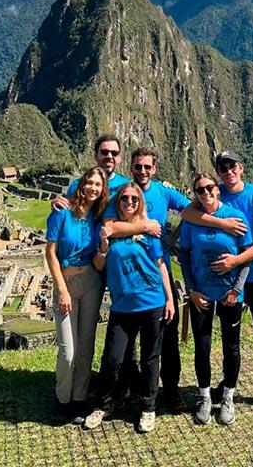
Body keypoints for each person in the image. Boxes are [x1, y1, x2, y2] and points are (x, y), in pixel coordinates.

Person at [181, 150, 253, 419]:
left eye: (232, 166)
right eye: (222, 168)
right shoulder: (215, 195)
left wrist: (236, 260)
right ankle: (226, 385)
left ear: (241, 168)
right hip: (224, 283)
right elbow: (187, 214)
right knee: (230, 340)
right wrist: (222, 223)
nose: (228, 171)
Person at [100, 147, 191, 413]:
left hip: (158, 268)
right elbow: (109, 227)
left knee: (168, 337)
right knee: (127, 343)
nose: (142, 171)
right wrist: (145, 226)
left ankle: (171, 392)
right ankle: (134, 389)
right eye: (138, 166)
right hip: (127, 274)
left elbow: (192, 209)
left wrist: (171, 239)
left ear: (154, 169)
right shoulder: (121, 192)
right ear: (132, 166)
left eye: (147, 167)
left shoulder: (164, 192)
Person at [83, 183, 175, 434]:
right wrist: (102, 247)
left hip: (151, 302)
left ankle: (148, 408)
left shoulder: (150, 231)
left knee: (149, 359)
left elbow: (160, 265)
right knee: (112, 358)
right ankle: (103, 405)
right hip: (122, 306)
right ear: (119, 201)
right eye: (125, 198)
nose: (130, 202)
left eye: (135, 199)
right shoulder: (109, 232)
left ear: (140, 202)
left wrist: (169, 299)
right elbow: (99, 265)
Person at [179, 173, 253, 426]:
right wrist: (191, 289)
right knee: (202, 346)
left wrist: (235, 290)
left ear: (217, 189)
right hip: (201, 294)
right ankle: (204, 396)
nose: (206, 193)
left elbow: (246, 257)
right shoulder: (191, 222)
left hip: (229, 294)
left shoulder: (235, 217)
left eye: (210, 187)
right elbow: (185, 255)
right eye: (200, 190)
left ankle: (228, 396)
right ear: (196, 195)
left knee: (231, 346)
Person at [44, 166, 109, 423]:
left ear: (102, 190)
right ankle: (63, 398)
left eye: (98, 184)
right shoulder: (62, 213)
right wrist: (61, 289)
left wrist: (103, 249)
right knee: (67, 351)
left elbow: (99, 263)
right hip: (66, 282)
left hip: (92, 281)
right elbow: (50, 253)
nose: (93, 187)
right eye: (90, 182)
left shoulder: (98, 218)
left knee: (86, 345)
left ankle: (80, 399)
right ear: (81, 185)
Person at [52, 134, 131, 210]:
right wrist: (58, 206)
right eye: (104, 152)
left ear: (119, 158)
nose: (109, 156)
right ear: (95, 156)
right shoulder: (77, 186)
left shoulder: (127, 186)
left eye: (114, 153)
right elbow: (68, 213)